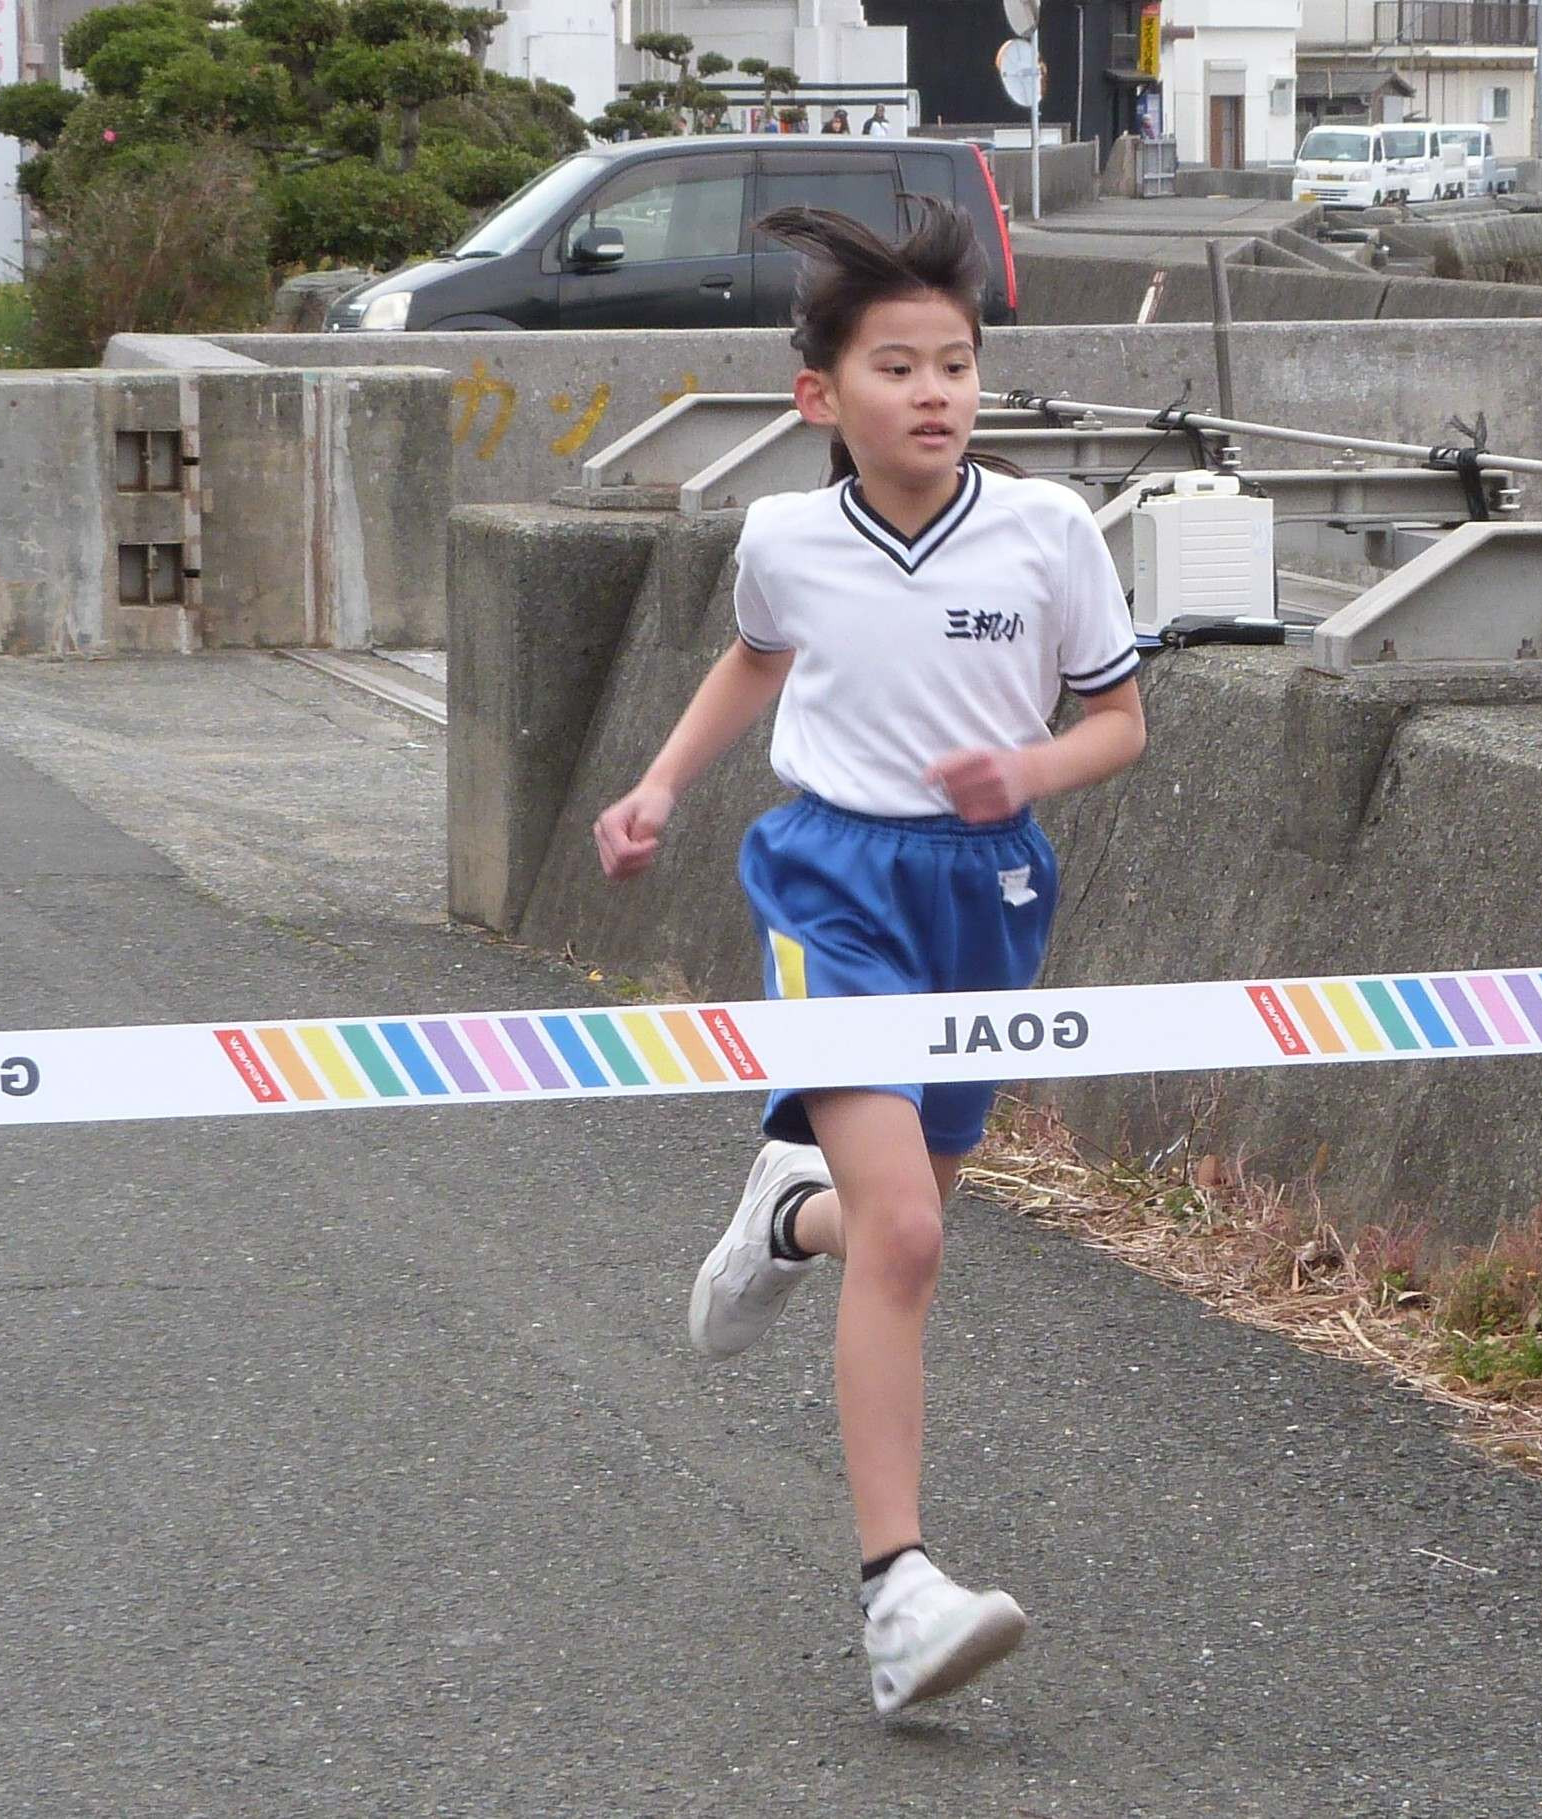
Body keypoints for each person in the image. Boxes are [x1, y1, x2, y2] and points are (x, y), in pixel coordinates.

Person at [592, 201, 1147, 1716]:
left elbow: (1118, 721)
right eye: (895, 367)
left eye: (954, 364)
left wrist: (1027, 771)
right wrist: (658, 786)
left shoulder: (1048, 531)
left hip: (989, 894)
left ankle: (788, 1215)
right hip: (830, 880)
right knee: (909, 1233)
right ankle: (896, 1593)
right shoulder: (785, 539)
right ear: (819, 396)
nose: (933, 393)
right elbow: (756, 658)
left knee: (902, 1222)